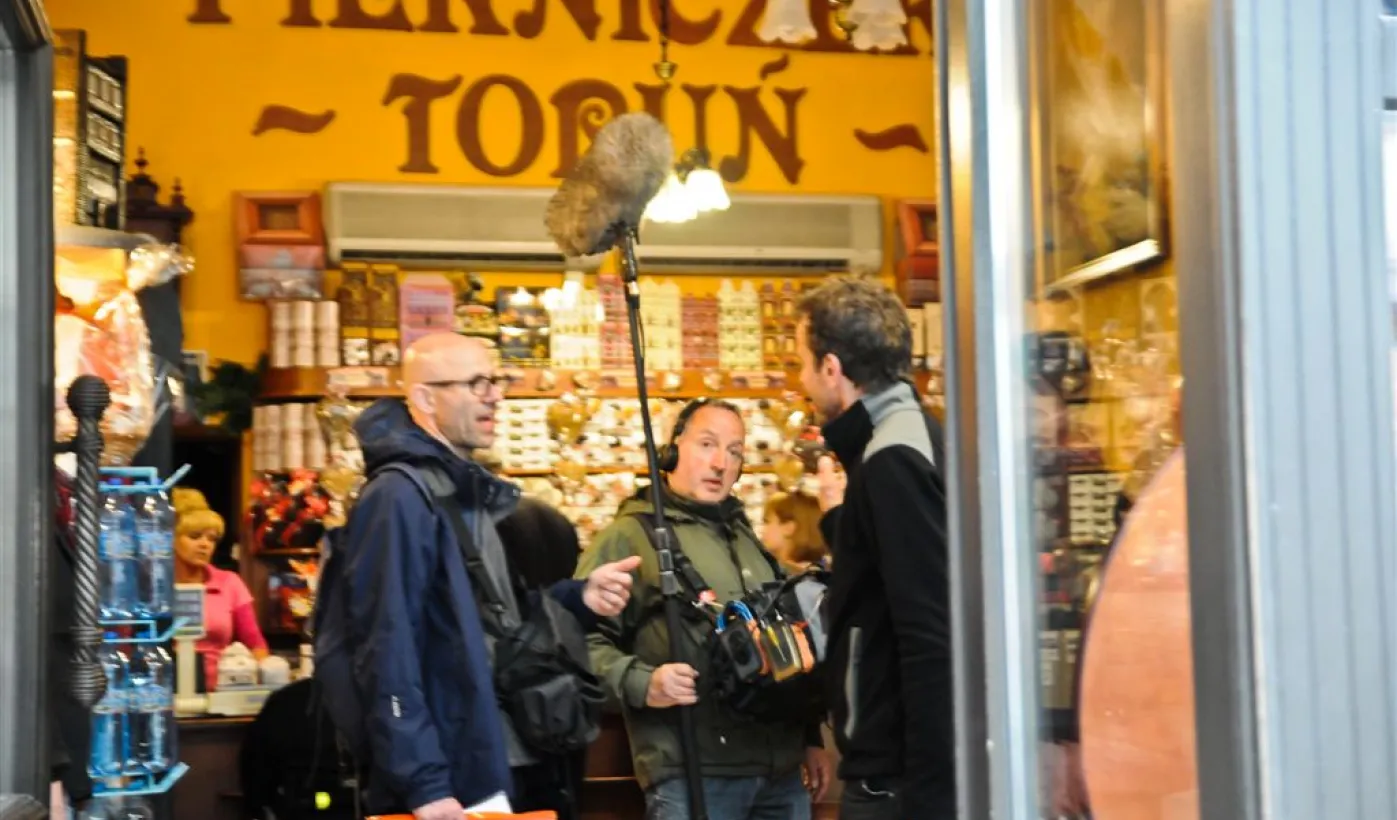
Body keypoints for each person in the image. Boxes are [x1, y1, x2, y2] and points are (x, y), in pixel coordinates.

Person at [326, 333, 640, 820]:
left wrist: (579, 599)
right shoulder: (399, 496)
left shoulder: (459, 488)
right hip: (452, 778)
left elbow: (494, 623)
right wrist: (424, 784)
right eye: (475, 384)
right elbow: (385, 647)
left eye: (495, 381)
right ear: (425, 398)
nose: (494, 395)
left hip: (496, 759)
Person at [576, 398, 832, 820]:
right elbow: (577, 641)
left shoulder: (746, 540)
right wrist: (643, 682)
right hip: (694, 772)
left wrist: (809, 738)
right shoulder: (631, 536)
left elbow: (781, 641)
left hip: (781, 775)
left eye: (734, 451)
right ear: (672, 450)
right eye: (707, 444)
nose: (720, 463)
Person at [794, 275, 953, 820]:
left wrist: (932, 795)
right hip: (901, 770)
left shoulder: (891, 459)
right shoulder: (907, 436)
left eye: (803, 363)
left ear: (831, 368)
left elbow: (929, 631)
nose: (801, 380)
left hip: (897, 781)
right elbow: (891, 575)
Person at [171, 488, 268, 689]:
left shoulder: (229, 583)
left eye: (212, 539)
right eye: (195, 536)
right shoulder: (153, 587)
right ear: (171, 538)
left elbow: (256, 645)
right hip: (164, 691)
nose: (205, 545)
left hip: (221, 693)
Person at [762, 491, 828, 572]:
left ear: (788, 528)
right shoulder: (823, 571)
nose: (762, 530)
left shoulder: (784, 574)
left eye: (767, 522)